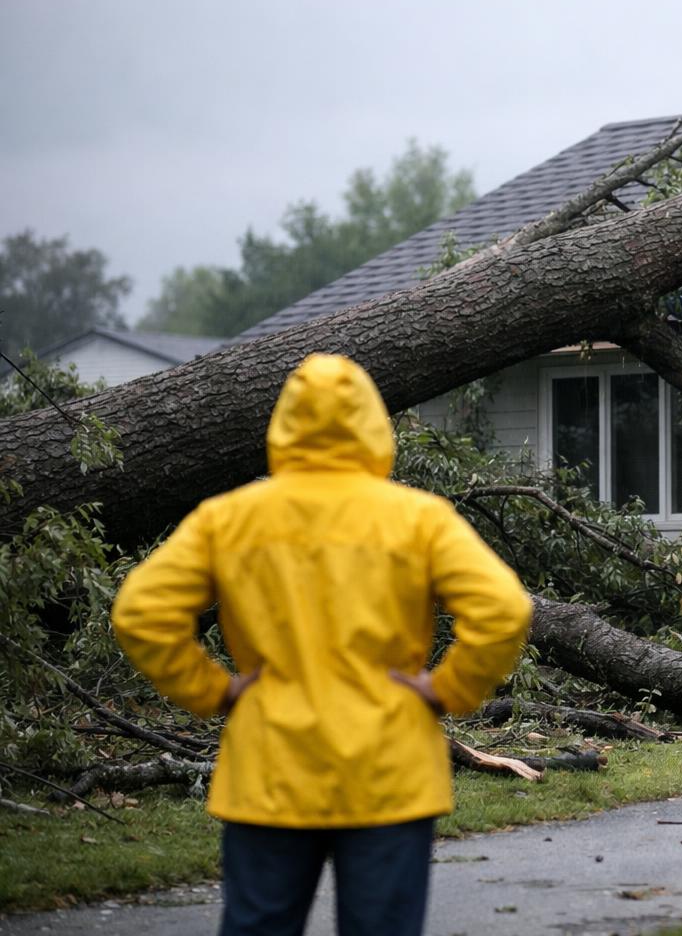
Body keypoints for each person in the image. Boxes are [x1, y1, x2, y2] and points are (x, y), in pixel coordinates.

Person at [112, 353, 533, 936]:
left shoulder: (229, 518)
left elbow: (141, 610)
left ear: (284, 424)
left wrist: (215, 690)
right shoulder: (418, 519)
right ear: (372, 422)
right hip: (390, 772)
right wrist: (448, 689)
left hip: (269, 770)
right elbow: (504, 609)